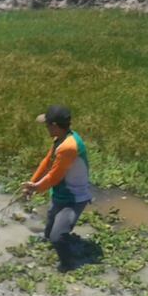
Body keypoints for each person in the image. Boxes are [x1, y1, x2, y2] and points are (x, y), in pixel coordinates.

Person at [22, 105, 92, 271]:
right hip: (60, 193)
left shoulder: (69, 147)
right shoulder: (61, 139)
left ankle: (68, 266)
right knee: (49, 226)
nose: (46, 128)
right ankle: (47, 243)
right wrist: (31, 183)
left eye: (47, 125)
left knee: (57, 238)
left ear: (54, 125)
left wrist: (36, 188)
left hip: (73, 199)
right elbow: (46, 163)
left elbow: (54, 176)